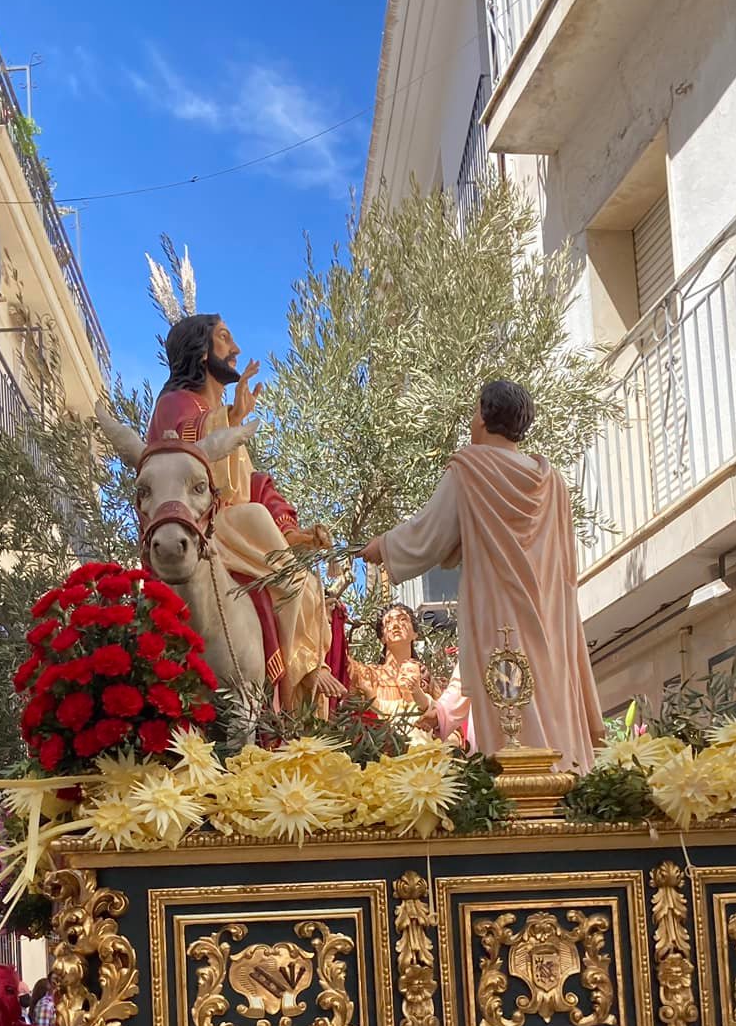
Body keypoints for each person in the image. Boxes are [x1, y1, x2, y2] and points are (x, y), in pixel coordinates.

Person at [361, 379, 605, 771]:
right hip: (550, 617)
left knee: (508, 696)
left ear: (483, 416)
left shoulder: (471, 469)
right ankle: (564, 777)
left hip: (500, 614)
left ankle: (521, 790)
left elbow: (429, 534)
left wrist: (383, 548)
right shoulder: (552, 481)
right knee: (549, 695)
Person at [147, 313, 341, 706]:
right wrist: (232, 418)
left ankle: (296, 685)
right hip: (202, 524)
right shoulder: (174, 404)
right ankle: (299, 677)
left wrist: (294, 532)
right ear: (201, 352)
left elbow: (251, 483)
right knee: (274, 550)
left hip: (238, 520)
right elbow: (181, 455)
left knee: (305, 585)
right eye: (224, 339)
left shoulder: (214, 410)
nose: (235, 349)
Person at [349, 603, 437, 723]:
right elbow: (339, 660)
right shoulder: (367, 674)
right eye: (388, 622)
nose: (395, 625)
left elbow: (447, 720)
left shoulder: (425, 679)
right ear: (382, 638)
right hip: (382, 739)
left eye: (403, 619)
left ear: (415, 634)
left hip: (423, 740)